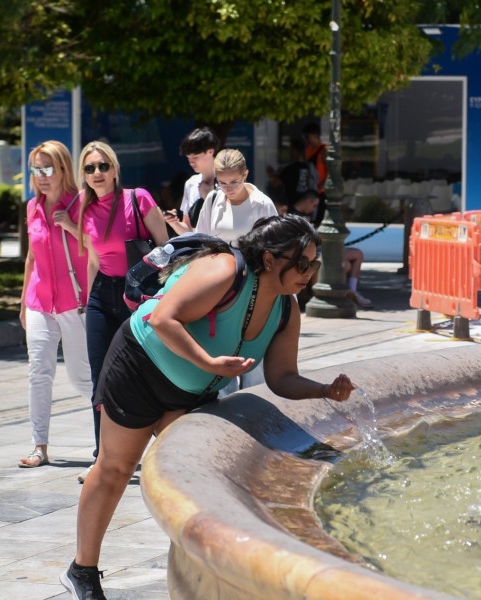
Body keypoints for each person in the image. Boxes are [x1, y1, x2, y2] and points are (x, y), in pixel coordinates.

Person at [59, 215, 356, 599]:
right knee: (116, 468)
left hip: (190, 391)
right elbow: (164, 318)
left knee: (191, 480)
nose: (309, 273)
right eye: (302, 264)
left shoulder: (287, 308)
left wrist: (324, 391)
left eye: (314, 265)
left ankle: (200, 577)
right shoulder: (224, 271)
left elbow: (282, 377)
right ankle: (81, 570)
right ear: (269, 259)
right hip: (139, 367)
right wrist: (209, 364)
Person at [65, 141, 170, 483]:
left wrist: (164, 298)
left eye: (103, 166)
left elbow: (166, 252)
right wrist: (85, 295)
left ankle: (163, 451)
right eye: (90, 168)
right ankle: (103, 457)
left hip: (137, 295)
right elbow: (95, 256)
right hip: (101, 295)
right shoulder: (82, 205)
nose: (97, 173)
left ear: (114, 169)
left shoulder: (137, 199)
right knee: (101, 378)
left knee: (144, 375)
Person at [18, 141, 93, 468]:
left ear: (63, 170)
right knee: (39, 372)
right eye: (37, 170)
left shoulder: (81, 205)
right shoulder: (32, 207)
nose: (42, 176)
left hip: (75, 304)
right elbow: (32, 257)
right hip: (39, 302)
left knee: (82, 379)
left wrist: (69, 226)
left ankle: (116, 437)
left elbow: (97, 248)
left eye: (49, 169)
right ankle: (40, 446)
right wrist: (23, 303)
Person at [289, 191, 373, 308]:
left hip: (321, 248)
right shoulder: (291, 215)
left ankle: (352, 291)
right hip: (310, 252)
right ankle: (321, 296)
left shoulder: (310, 216)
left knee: (356, 255)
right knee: (344, 265)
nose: (314, 210)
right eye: (314, 206)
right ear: (308, 201)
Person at [194, 148, 278, 245]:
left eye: (234, 182)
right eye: (222, 183)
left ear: (245, 175)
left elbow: (272, 245)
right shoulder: (212, 199)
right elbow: (200, 239)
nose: (228, 189)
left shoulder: (263, 204)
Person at [164, 127, 218, 235]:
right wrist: (174, 222)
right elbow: (188, 230)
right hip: (198, 249)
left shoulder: (227, 182)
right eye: (188, 157)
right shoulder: (191, 184)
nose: (191, 162)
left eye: (196, 157)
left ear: (210, 151)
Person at [303, 122, 329, 225]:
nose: (306, 140)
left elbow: (330, 174)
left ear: (315, 135)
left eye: (307, 137)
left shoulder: (324, 151)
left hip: (321, 193)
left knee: (319, 221)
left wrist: (319, 188)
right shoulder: (307, 150)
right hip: (310, 192)